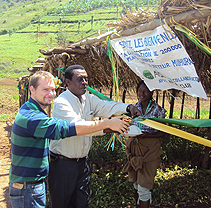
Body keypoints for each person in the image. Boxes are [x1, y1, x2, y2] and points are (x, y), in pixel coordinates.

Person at [9, 70, 131, 208]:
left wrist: (127, 109)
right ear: (32, 89)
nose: (50, 94)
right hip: (29, 186)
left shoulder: (35, 111)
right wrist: (107, 124)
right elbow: (67, 129)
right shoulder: (33, 117)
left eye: (52, 89)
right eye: (45, 90)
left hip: (35, 182)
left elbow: (105, 106)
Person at [48, 65, 142, 208]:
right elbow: (79, 127)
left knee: (81, 203)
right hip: (63, 164)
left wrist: (128, 108)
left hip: (82, 164)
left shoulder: (88, 99)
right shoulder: (62, 103)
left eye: (86, 79)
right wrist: (110, 126)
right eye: (79, 79)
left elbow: (106, 106)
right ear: (67, 82)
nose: (84, 82)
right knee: (62, 203)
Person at [122, 80, 166, 208]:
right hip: (135, 149)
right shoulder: (134, 108)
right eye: (140, 91)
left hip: (149, 151)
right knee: (136, 183)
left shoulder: (158, 111)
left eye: (145, 91)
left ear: (151, 92)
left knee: (144, 186)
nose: (142, 93)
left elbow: (163, 133)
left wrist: (148, 136)